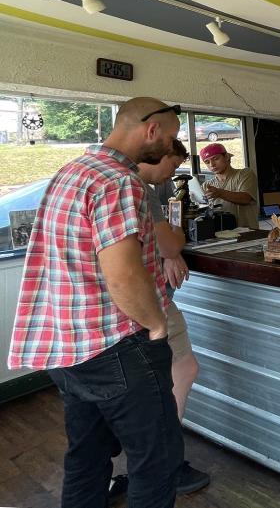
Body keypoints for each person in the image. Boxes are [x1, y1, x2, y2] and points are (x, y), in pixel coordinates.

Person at [7, 97, 184, 508]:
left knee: (86, 457)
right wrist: (156, 327)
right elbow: (122, 274)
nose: (170, 147)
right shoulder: (119, 181)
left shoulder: (72, 171)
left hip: (67, 347)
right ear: (152, 130)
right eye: (172, 137)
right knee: (156, 462)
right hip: (116, 347)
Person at [107, 139, 210, 501]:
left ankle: (128, 465)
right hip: (146, 302)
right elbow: (170, 243)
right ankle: (166, 460)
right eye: (172, 165)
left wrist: (166, 251)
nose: (173, 174)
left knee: (121, 396)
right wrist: (172, 246)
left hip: (113, 310)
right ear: (161, 155)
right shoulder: (136, 187)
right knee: (182, 370)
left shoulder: (88, 179)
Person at [199, 142, 259, 228]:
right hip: (220, 235)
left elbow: (246, 198)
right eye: (207, 162)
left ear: (226, 157)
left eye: (215, 158)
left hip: (247, 234)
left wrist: (219, 193)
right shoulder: (206, 185)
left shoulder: (244, 174)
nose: (212, 164)